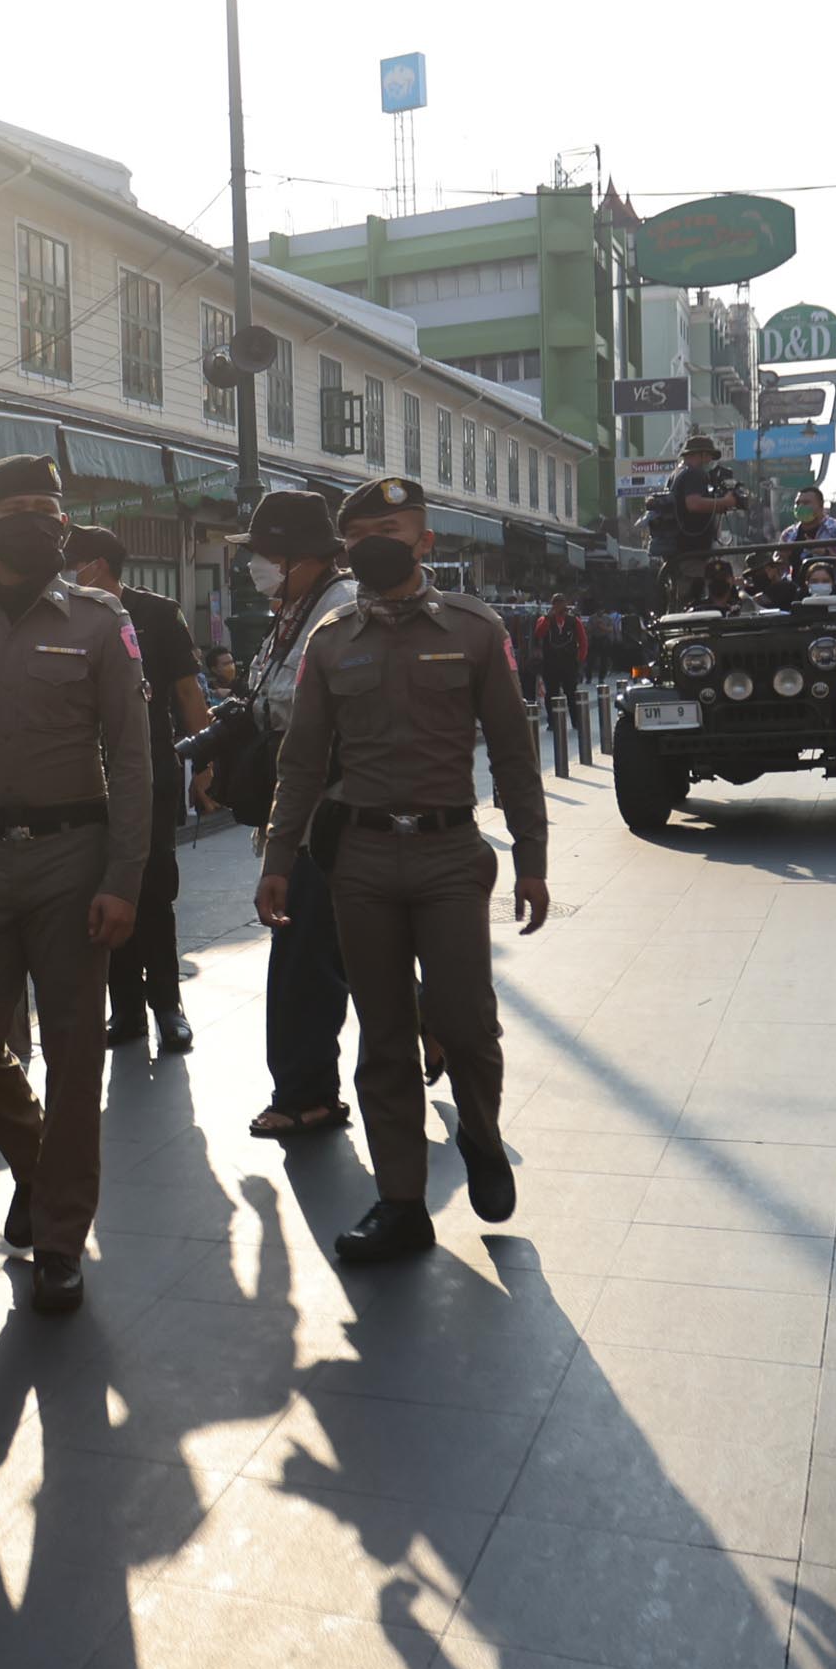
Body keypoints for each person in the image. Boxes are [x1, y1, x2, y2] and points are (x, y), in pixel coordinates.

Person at [257, 476, 549, 1266]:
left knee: (465, 1021)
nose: (376, 540)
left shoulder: (478, 629)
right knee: (383, 1035)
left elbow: (516, 758)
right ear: (345, 547)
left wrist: (532, 859)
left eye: (393, 525)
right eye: (361, 532)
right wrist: (280, 859)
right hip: (361, 859)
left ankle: (481, 1134)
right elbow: (302, 762)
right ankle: (401, 1202)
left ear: (425, 539)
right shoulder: (331, 640)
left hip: (453, 856)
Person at [0, 459, 151, 1314]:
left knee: (73, 1055)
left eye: (51, 510)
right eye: (20, 510)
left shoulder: (105, 623)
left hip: (74, 858)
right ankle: (38, 1163)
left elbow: (133, 758)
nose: (42, 523)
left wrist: (124, 876)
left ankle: (61, 1237)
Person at [234, 490, 359, 1142]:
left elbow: (319, 727)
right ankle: (426, 1020)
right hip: (299, 818)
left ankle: (308, 1095)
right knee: (330, 953)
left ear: (302, 557)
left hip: (328, 819)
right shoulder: (292, 611)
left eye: (265, 554)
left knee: (304, 963)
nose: (257, 566)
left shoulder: (338, 613)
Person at [67, 524, 208, 1053]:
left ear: (97, 564)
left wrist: (207, 763)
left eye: (71, 562)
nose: (65, 573)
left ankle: (167, 1005)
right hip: (86, 779)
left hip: (150, 770)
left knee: (152, 891)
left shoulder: (157, 614)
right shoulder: (68, 614)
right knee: (101, 891)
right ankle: (123, 1009)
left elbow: (188, 690)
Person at [651, 434, 738, 606]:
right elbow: (693, 504)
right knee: (693, 602)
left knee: (682, 599)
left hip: (680, 550)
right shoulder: (694, 474)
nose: (710, 462)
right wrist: (725, 502)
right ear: (702, 455)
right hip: (690, 553)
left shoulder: (677, 474)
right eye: (709, 457)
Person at [531, 593, 592, 773]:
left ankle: (575, 721)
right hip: (551, 663)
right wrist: (549, 617)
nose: (560, 607)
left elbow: (583, 641)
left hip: (568, 663)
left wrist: (580, 659)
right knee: (551, 693)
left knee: (571, 692)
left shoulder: (574, 621)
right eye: (556, 604)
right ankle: (552, 721)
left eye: (561, 604)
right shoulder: (545, 620)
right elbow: (539, 633)